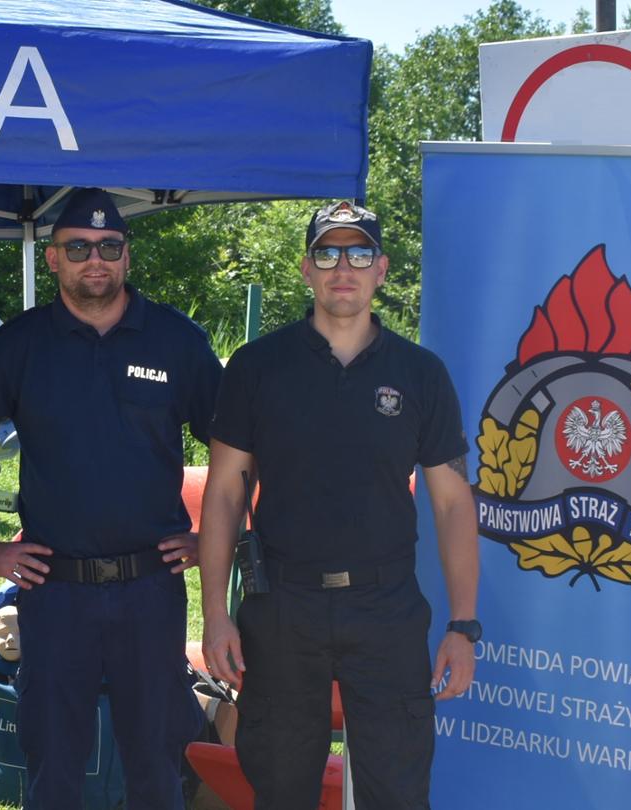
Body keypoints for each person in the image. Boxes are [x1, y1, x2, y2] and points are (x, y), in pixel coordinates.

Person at [196, 200, 480, 810]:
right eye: (327, 253)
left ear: (381, 268)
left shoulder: (421, 373)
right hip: (282, 607)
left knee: (398, 795)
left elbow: (454, 506)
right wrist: (215, 613)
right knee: (281, 792)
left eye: (358, 253)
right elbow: (223, 495)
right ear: (306, 269)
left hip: (385, 608)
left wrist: (463, 625)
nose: (342, 267)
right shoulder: (257, 367)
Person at [0, 188, 223, 809]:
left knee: (156, 767)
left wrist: (212, 537)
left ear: (126, 254)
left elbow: (240, 447)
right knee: (53, 768)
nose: (94, 259)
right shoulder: (21, 344)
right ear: (53, 258)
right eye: (78, 247)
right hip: (56, 593)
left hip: (150, 591)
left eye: (108, 246)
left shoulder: (176, 340)